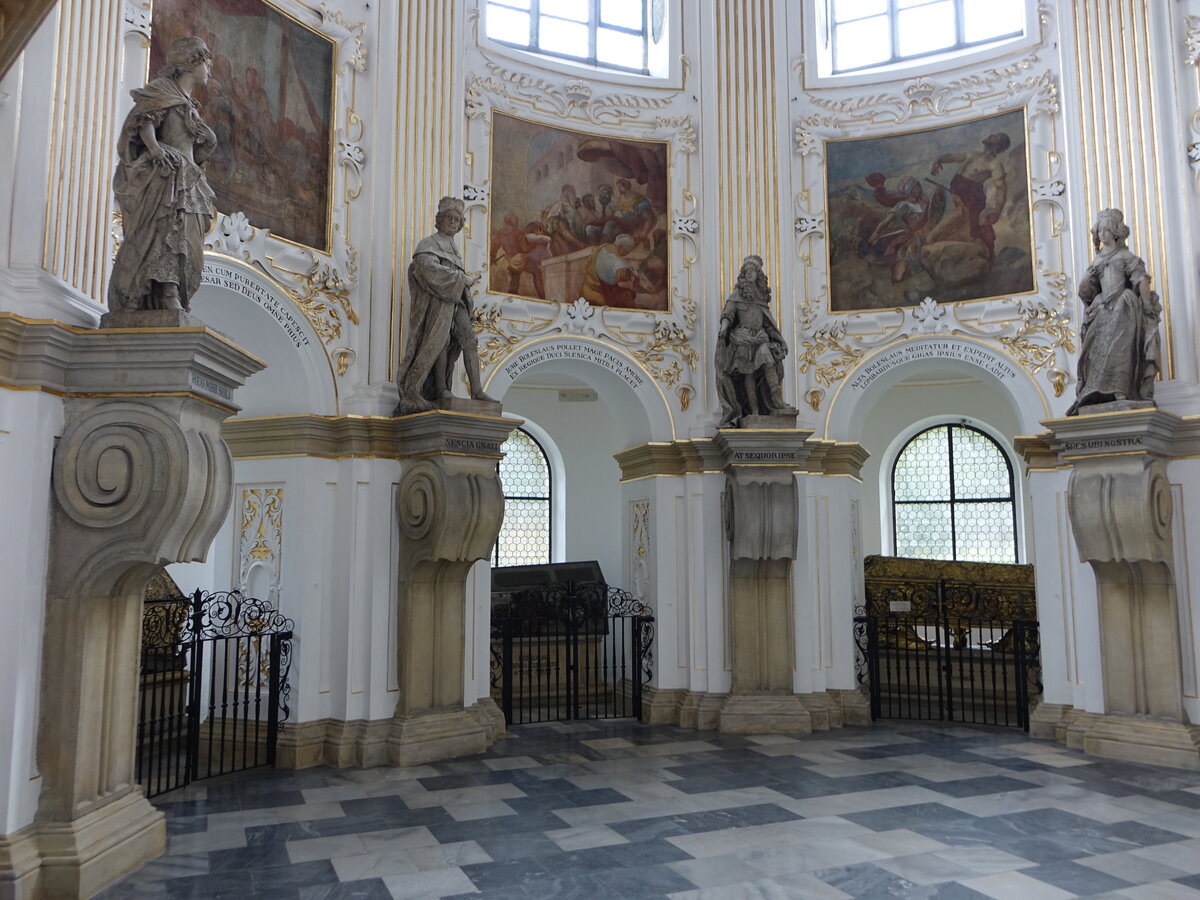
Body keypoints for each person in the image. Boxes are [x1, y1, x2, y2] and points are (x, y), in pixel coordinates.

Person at [108, 36, 217, 314]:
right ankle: (163, 292)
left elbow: (194, 149)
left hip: (189, 178)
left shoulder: (189, 103)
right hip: (167, 178)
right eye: (206, 64)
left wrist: (208, 142)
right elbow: (145, 122)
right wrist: (156, 150)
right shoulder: (163, 91)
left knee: (188, 241)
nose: (209, 71)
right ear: (191, 62)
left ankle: (175, 291)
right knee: (164, 235)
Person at [395, 197, 496, 414]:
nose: (452, 222)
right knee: (440, 342)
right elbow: (424, 268)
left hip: (456, 301)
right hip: (437, 304)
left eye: (457, 219)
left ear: (460, 225)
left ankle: (477, 390)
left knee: (469, 339)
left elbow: (450, 275)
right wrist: (462, 279)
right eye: (449, 218)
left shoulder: (453, 249)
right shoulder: (429, 244)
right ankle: (441, 389)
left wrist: (461, 282)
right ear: (440, 220)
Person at [1067, 208, 1161, 415]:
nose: (1103, 234)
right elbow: (1086, 291)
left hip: (1123, 308)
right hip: (1102, 310)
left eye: (1107, 230)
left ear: (1116, 232)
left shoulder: (1126, 256)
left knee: (1120, 348)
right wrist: (1088, 281)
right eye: (1100, 231)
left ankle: (1121, 389)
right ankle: (1095, 390)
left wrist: (1146, 304)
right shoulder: (1097, 261)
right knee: (1095, 351)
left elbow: (1140, 280)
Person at [715, 255, 797, 426]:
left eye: (752, 271)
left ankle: (777, 401)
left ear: (758, 274)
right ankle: (754, 412)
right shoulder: (737, 294)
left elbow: (768, 324)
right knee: (748, 375)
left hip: (760, 338)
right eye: (746, 271)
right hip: (743, 339)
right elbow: (728, 314)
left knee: (768, 364)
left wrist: (780, 340)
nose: (749, 274)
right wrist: (723, 327)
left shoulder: (761, 297)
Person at [929, 132, 1010, 264]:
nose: (991, 135)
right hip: (958, 196)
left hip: (971, 201)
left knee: (975, 231)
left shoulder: (994, 165)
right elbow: (955, 157)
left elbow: (1001, 189)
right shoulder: (974, 154)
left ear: (998, 145)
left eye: (996, 136)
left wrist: (997, 211)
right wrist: (940, 160)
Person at [580, 234, 638, 307]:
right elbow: (620, 279)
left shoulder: (602, 248)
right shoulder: (617, 262)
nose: (625, 254)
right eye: (626, 252)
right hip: (601, 290)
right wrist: (631, 276)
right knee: (627, 295)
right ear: (621, 247)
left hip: (589, 283)